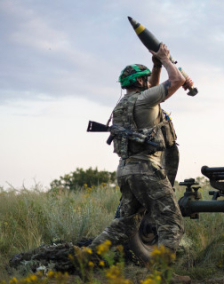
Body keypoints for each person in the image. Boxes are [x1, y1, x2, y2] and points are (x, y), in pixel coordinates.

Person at [89, 43, 192, 283]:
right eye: (146, 79)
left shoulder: (124, 104)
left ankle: (85, 258)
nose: (149, 83)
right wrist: (166, 60)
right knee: (172, 222)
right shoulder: (145, 101)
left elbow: (154, 89)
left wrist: (155, 65)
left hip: (126, 170)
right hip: (147, 171)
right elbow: (175, 81)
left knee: (123, 225)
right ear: (139, 83)